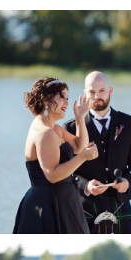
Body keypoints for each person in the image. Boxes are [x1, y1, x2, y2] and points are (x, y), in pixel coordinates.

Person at [14, 77, 98, 234]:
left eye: (67, 97)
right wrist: (82, 158)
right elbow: (52, 175)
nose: (67, 103)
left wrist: (80, 119)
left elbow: (79, 146)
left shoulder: (54, 129)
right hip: (49, 204)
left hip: (63, 199)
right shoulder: (45, 133)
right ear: (46, 100)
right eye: (61, 97)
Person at [64, 71, 131, 233]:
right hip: (85, 205)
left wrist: (128, 182)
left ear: (111, 91)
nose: (97, 96)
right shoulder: (71, 128)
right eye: (92, 92)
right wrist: (85, 185)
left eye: (102, 90)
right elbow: (66, 171)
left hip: (120, 202)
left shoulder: (129, 123)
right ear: (85, 94)